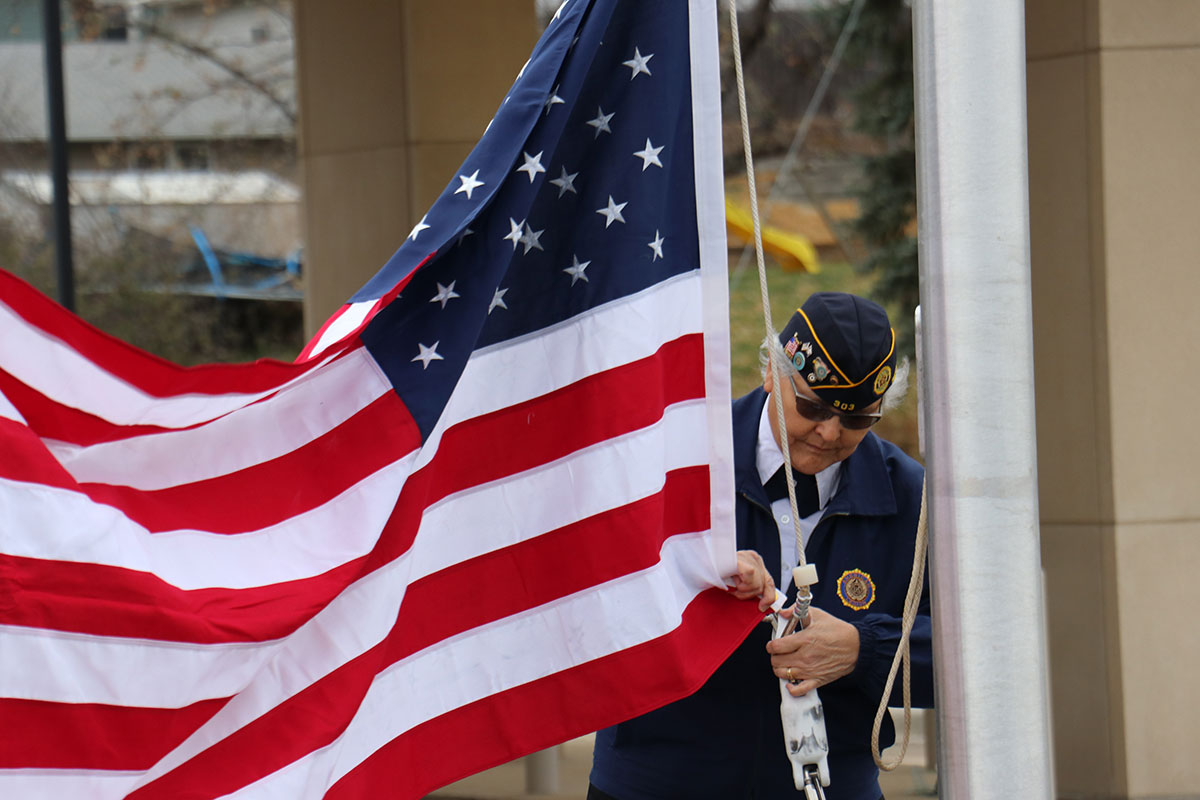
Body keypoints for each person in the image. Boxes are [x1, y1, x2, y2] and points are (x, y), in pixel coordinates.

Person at [589, 292, 934, 800]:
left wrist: (863, 649)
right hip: (657, 779)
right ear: (772, 372)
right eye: (813, 406)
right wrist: (695, 572)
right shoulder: (678, 458)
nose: (829, 431)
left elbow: (970, 654)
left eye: (859, 419)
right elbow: (592, 591)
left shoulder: (911, 497)